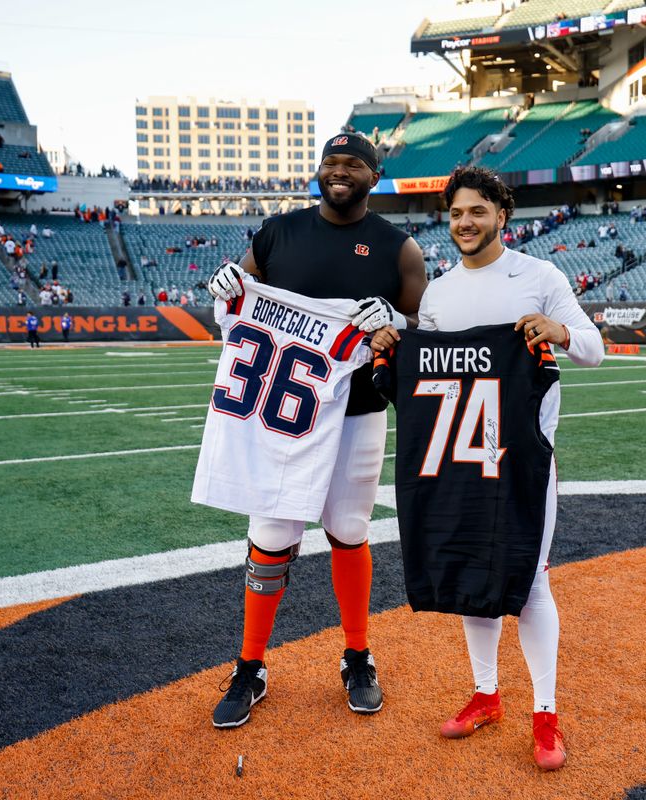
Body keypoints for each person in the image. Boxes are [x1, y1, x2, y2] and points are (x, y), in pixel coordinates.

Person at [369, 166, 603, 771]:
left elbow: (594, 349)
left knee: (529, 579)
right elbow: (429, 370)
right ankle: (486, 695)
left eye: (476, 211)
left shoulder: (540, 276)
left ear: (502, 213)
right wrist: (396, 346)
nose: (464, 223)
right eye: (455, 213)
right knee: (474, 569)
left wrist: (560, 331)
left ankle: (545, 715)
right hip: (459, 455)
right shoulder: (441, 294)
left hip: (523, 453)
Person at [202, 132, 427, 728]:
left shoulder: (398, 249)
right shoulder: (277, 233)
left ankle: (358, 654)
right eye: (331, 162)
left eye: (353, 164)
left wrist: (397, 321)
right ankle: (250, 664)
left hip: (357, 411)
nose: (339, 171)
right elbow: (232, 304)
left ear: (374, 176)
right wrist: (223, 292)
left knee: (349, 529)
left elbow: (425, 329)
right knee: (271, 533)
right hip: (283, 416)